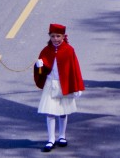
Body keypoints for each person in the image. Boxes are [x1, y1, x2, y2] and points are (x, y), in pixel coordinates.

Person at [33, 23, 85, 152]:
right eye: (53, 36)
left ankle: (62, 136)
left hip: (64, 84)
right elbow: (42, 70)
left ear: (63, 36)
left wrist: (78, 87)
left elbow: (75, 69)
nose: (55, 39)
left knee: (63, 111)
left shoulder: (69, 50)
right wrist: (39, 66)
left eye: (58, 36)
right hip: (51, 84)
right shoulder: (46, 51)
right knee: (50, 112)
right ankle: (51, 139)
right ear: (49, 36)